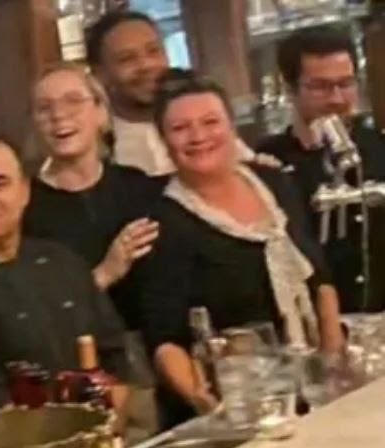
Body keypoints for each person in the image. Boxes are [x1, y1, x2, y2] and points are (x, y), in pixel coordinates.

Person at [140, 74, 343, 426]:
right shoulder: (164, 224)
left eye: (210, 122)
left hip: (311, 386)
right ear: (163, 141)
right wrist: (207, 404)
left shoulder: (274, 182)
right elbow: (164, 339)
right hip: (242, 403)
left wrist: (332, 364)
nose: (198, 136)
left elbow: (319, 277)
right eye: (180, 128)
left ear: (232, 127)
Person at [0, 134, 129, 416]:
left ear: (25, 191)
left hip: (105, 429)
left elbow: (117, 363)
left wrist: (113, 417)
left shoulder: (62, 261)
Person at [24, 61, 161, 332]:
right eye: (44, 108)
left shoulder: (139, 186)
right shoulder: (25, 207)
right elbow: (37, 314)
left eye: (73, 101)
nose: (58, 115)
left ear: (100, 112)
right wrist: (105, 273)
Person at [257, 25, 385, 313]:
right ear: (290, 89)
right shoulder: (268, 162)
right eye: (320, 87)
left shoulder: (379, 146)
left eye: (346, 84)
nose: (337, 99)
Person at [86, 10, 255, 177]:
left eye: (154, 51)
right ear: (99, 74)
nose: (146, 65)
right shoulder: (96, 145)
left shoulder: (201, 125)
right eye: (127, 59)